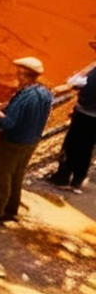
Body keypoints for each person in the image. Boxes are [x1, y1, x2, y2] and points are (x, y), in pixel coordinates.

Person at [0, 56, 52, 222]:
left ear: (24, 75)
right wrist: (7, 106)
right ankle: (11, 207)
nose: (17, 76)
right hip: (31, 141)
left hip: (13, 142)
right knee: (17, 175)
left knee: (2, 175)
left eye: (19, 73)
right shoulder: (44, 92)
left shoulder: (25, 97)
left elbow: (8, 123)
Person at [50, 48, 96, 190]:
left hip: (85, 114)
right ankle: (77, 179)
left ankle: (62, 177)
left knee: (72, 145)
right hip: (91, 116)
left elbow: (75, 81)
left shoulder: (93, 71)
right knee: (86, 148)